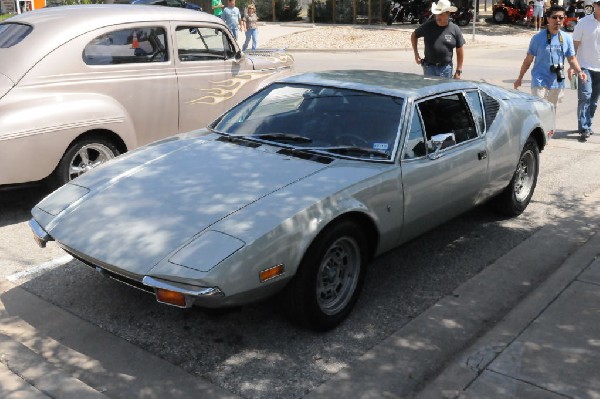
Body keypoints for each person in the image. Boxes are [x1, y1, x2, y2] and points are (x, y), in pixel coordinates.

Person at [514, 5, 587, 112]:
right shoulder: (537, 38)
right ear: (548, 18)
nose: (558, 20)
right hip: (539, 80)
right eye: (554, 17)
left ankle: (550, 129)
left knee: (552, 111)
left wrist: (579, 72)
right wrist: (520, 78)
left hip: (557, 80)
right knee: (539, 111)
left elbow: (571, 58)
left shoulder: (566, 38)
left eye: (561, 18)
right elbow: (528, 61)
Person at [411, 0, 465, 79]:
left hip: (446, 69)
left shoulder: (454, 29)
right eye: (437, 14)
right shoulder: (428, 26)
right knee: (430, 90)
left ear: (448, 14)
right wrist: (416, 54)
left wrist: (458, 71)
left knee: (445, 91)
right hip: (429, 67)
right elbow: (414, 35)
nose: (438, 17)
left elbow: (460, 50)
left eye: (441, 14)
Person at [570, 0, 600, 141]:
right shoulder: (583, 22)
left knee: (594, 101)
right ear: (595, 5)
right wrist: (572, 66)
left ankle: (587, 123)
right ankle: (585, 127)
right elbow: (574, 45)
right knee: (585, 97)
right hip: (584, 67)